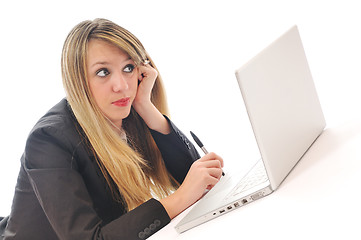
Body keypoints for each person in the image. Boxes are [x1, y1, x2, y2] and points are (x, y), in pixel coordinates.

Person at [0, 18, 224, 240]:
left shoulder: (126, 111)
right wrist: (180, 198)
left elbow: (194, 178)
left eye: (128, 68)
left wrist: (146, 106)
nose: (122, 86)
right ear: (78, 81)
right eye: (103, 72)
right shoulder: (49, 140)